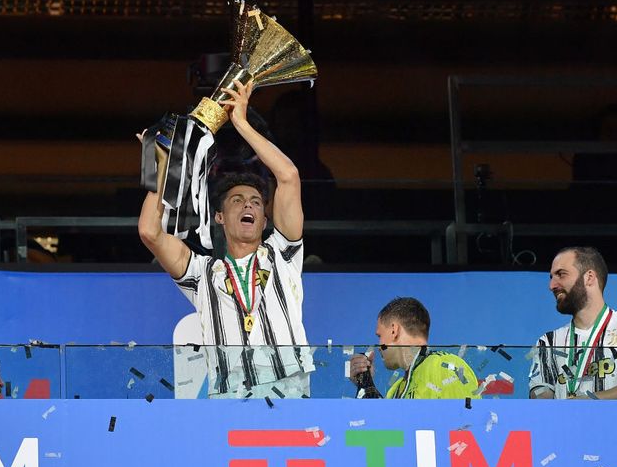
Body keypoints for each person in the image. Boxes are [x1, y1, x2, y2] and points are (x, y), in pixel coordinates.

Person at [139, 79, 313, 398]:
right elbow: (150, 232)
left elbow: (288, 176)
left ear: (264, 219)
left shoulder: (284, 253)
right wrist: (163, 168)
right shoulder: (201, 274)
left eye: (256, 202)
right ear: (219, 217)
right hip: (228, 400)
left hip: (290, 393)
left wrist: (241, 124)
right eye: (237, 200)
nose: (248, 204)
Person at [529, 247, 617, 399]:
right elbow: (540, 400)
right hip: (567, 423)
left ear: (589, 277)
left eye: (561, 274)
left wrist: (586, 402)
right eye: (551, 277)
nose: (552, 285)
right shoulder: (547, 342)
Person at [349, 297, 478, 399]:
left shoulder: (445, 366)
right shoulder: (395, 389)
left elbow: (467, 424)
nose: (379, 346)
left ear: (394, 330)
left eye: (380, 336)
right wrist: (366, 382)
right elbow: (385, 429)